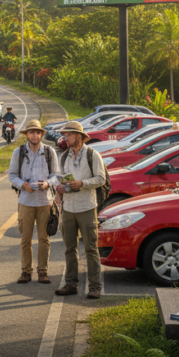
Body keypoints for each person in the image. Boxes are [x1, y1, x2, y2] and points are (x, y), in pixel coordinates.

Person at [54, 121, 107, 300]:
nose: (65, 138)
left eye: (68, 134)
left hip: (87, 207)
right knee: (70, 248)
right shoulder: (63, 156)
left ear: (79, 136)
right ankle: (70, 284)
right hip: (68, 207)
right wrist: (59, 188)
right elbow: (59, 178)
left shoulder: (92, 155)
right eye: (65, 135)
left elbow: (101, 179)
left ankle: (95, 286)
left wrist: (82, 183)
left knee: (91, 248)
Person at [7, 119, 59, 284]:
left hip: (45, 201)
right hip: (26, 200)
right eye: (31, 132)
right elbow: (12, 175)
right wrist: (23, 184)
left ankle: (43, 271)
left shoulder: (50, 152)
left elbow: (56, 175)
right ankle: (26, 271)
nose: (35, 135)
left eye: (38, 132)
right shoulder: (19, 152)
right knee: (25, 238)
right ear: (27, 135)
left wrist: (47, 183)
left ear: (41, 134)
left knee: (44, 238)